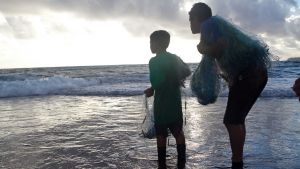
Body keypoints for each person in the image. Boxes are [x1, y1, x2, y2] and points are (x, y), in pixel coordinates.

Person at [189, 3, 273, 169]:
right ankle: (238, 160)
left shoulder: (208, 24)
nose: (190, 23)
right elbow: (226, 53)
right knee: (237, 120)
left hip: (249, 75)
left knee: (231, 121)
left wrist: (202, 49)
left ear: (198, 18)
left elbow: (220, 45)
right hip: (257, 74)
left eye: (190, 19)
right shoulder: (215, 24)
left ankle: (237, 162)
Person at [144, 30, 191, 169]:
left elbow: (157, 82)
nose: (150, 45)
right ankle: (182, 162)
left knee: (161, 135)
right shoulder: (174, 58)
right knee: (178, 132)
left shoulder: (153, 61)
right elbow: (187, 71)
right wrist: (175, 78)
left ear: (157, 43)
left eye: (151, 42)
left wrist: (151, 89)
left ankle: (162, 164)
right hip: (175, 102)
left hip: (161, 103)